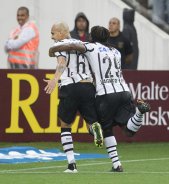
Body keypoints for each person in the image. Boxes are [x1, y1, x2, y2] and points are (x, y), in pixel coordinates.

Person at [49, 26, 151, 172]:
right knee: (128, 130)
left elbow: (71, 46)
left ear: (93, 37)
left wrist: (53, 49)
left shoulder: (90, 47)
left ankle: (77, 164)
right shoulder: (115, 51)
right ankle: (139, 113)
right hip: (123, 91)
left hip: (104, 93)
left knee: (104, 128)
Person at [44, 22, 103, 173]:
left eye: (53, 33)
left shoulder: (60, 45)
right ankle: (94, 129)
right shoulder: (83, 44)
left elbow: (62, 64)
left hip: (70, 86)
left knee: (65, 125)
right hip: (87, 85)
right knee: (90, 121)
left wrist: (55, 79)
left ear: (62, 33)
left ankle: (72, 164)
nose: (52, 37)